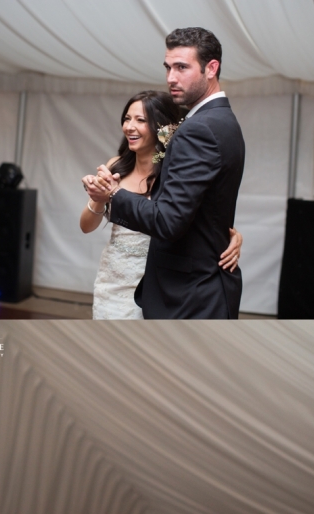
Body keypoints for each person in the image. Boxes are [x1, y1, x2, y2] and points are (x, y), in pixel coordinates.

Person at [85, 27, 245, 319]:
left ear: (211, 68)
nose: (171, 77)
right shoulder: (225, 121)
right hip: (189, 287)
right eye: (168, 68)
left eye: (182, 67)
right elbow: (206, 204)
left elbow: (170, 220)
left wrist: (113, 194)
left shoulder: (198, 129)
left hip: (188, 295)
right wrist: (223, 234)